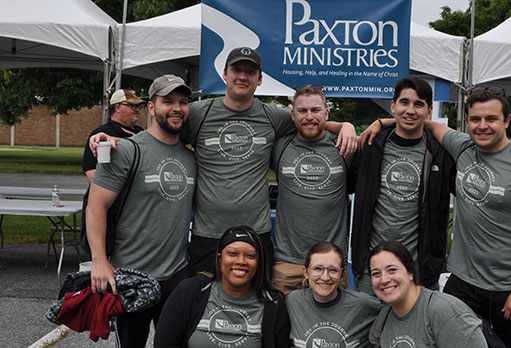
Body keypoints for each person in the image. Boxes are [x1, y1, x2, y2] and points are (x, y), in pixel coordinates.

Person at [92, 47, 358, 276]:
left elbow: (309, 121)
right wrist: (119, 141)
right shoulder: (198, 112)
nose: (242, 76)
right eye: (236, 70)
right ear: (225, 74)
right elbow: (161, 135)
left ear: (260, 79)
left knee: (255, 309)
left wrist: (344, 125)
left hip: (256, 234)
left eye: (250, 72)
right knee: (200, 311)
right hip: (208, 235)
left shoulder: (272, 116)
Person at [422, 86, 511, 348]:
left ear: (507, 120)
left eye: (491, 119)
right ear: (467, 121)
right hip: (462, 284)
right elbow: (429, 125)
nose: (482, 126)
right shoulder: (462, 147)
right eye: (475, 119)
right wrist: (380, 122)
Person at [86, 75, 196, 348]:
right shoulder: (126, 151)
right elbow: (96, 206)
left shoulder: (191, 156)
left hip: (176, 274)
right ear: (150, 107)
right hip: (132, 274)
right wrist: (99, 260)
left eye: (182, 102)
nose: (176, 108)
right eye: (167, 101)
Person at [349, 77, 455, 294]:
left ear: (429, 110)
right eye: (404, 102)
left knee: (419, 329)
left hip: (419, 272)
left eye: (419, 104)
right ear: (393, 105)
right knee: (370, 328)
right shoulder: (371, 146)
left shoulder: (441, 153)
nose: (410, 110)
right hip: (373, 271)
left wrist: (382, 121)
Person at [270, 86, 351, 295]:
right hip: (288, 264)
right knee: (281, 326)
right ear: (292, 115)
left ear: (326, 113)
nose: (309, 117)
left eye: (315, 110)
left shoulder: (344, 145)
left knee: (327, 327)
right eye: (302, 111)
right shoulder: (279, 146)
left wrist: (347, 125)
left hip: (330, 265)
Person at [154, 226, 291, 348]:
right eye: (232, 254)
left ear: (258, 262)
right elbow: (164, 343)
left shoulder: (273, 303)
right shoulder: (191, 290)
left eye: (250, 256)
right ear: (219, 259)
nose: (241, 261)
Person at [367, 240, 487, 348]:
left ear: (410, 272)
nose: (384, 280)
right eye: (376, 273)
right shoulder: (382, 323)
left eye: (392, 270)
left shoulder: (445, 312)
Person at [286, 242, 382, 348]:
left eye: (333, 270)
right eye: (318, 268)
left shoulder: (363, 304)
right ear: (306, 272)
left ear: (342, 275)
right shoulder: (294, 301)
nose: (325, 277)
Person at [82, 89, 145, 184]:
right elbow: (92, 175)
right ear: (117, 107)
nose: (137, 109)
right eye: (132, 105)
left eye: (138, 106)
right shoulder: (101, 134)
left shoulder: (140, 132)